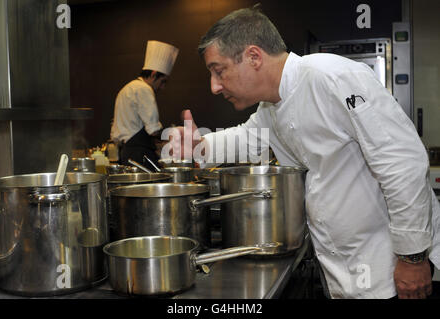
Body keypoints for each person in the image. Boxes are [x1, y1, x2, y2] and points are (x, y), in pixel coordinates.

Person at [176, 7, 440, 299]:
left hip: (388, 269)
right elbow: (249, 137)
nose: (214, 86)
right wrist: (201, 146)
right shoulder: (272, 106)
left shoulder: (332, 77)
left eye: (218, 70)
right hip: (342, 268)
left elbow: (402, 164)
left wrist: (412, 257)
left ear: (253, 57)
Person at [110, 40, 179, 170]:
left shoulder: (127, 88)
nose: (162, 87)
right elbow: (153, 129)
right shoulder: (144, 89)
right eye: (163, 81)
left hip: (126, 152)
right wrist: (173, 135)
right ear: (153, 74)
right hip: (139, 154)